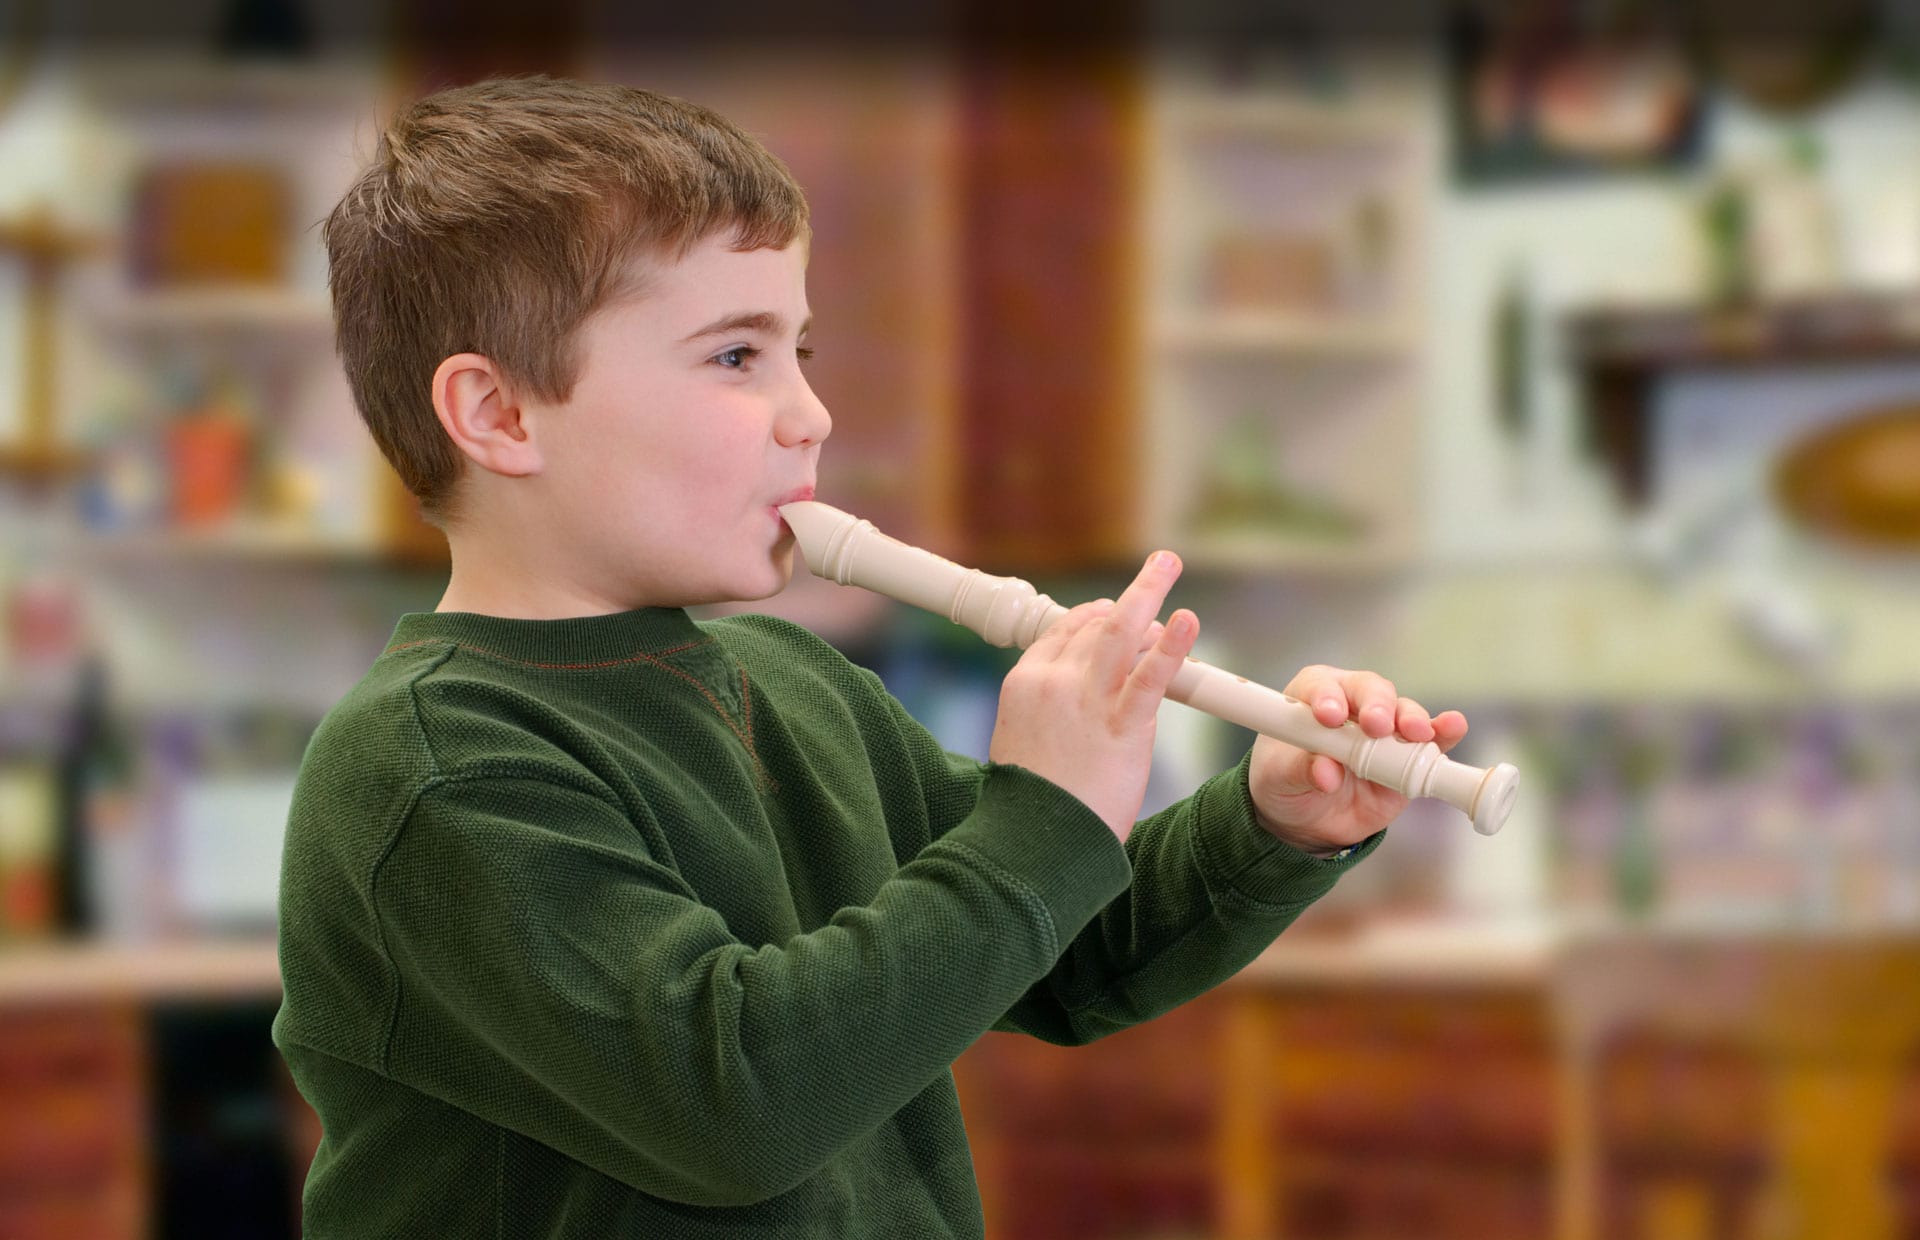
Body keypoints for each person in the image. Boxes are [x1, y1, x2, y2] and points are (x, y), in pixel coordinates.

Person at [273, 75, 1470, 1238]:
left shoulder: (797, 688)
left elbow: (1053, 950)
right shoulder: (435, 764)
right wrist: (1046, 813)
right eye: (736, 356)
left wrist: (1272, 820)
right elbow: (733, 1101)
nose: (811, 411)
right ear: (499, 416)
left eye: (803, 350)